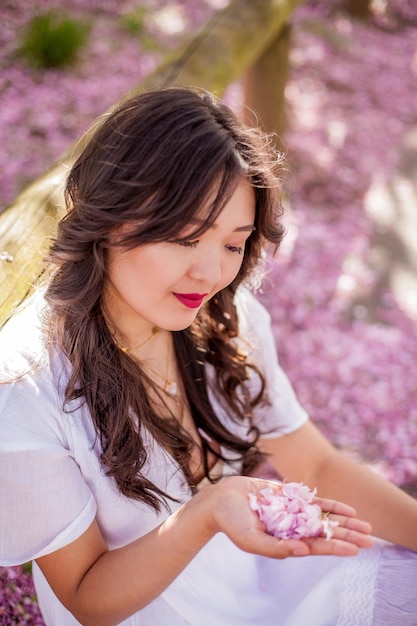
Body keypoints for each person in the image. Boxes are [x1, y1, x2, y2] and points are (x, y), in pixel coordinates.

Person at [0, 86, 416, 626]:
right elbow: (85, 599)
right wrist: (206, 515)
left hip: (259, 579)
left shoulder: (222, 315)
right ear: (108, 216)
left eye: (232, 242)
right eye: (184, 236)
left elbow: (314, 463)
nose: (210, 273)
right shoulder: (27, 388)